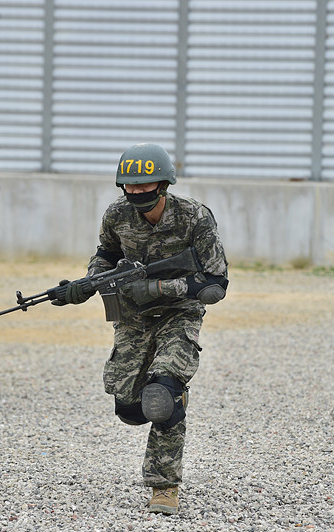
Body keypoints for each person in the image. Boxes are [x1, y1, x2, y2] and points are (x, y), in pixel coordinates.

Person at [60, 143, 228, 514]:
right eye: (130, 186)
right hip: (132, 317)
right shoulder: (117, 214)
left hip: (179, 313)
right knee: (131, 410)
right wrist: (85, 285)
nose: (137, 192)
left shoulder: (194, 217)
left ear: (164, 184)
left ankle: (164, 486)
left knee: (162, 395)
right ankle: (160, 400)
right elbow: (105, 254)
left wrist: (159, 287)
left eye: (145, 185)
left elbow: (216, 284)